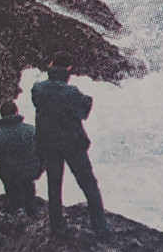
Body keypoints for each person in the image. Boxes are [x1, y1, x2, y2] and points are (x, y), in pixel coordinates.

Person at [31, 51, 109, 239]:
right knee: (88, 184)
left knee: (54, 186)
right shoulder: (72, 92)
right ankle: (100, 229)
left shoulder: (37, 89)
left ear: (50, 65)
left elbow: (39, 103)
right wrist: (87, 100)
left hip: (49, 145)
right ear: (68, 70)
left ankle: (57, 228)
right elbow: (84, 111)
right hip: (72, 145)